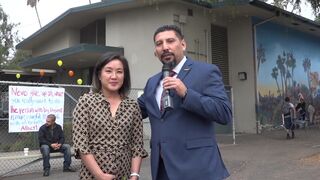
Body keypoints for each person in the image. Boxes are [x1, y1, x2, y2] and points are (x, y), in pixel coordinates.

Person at [138, 25, 232, 180]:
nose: (165, 47)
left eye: (170, 41)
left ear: (183, 44)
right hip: (162, 169)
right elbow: (133, 111)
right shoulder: (152, 82)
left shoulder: (206, 72)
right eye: (159, 43)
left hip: (198, 169)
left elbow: (224, 113)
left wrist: (186, 94)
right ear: (155, 51)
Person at [72, 52, 148, 180]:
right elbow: (81, 145)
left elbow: (137, 145)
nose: (114, 76)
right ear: (99, 75)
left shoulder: (132, 106)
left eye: (119, 72)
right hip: (92, 176)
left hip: (124, 175)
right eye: (108, 71)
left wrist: (134, 175)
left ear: (125, 76)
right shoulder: (85, 102)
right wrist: (100, 175)